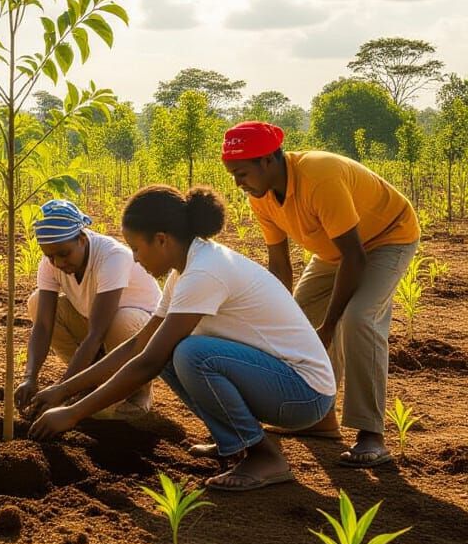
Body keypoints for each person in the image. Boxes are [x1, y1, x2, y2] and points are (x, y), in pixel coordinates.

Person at [29, 185, 337, 493]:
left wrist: (73, 412)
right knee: (170, 350)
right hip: (275, 380)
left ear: (161, 240)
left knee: (191, 353)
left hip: (303, 392)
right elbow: (139, 345)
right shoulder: (186, 271)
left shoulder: (204, 271)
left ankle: (264, 456)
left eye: (136, 248)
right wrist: (62, 390)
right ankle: (234, 440)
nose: (135, 259)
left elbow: (148, 362)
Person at [220, 121, 420, 468]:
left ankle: (371, 435)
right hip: (334, 253)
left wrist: (329, 325)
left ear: (268, 160)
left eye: (241, 172)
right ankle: (320, 419)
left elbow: (356, 258)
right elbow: (280, 266)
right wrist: (276, 320)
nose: (237, 182)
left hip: (387, 238)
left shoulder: (319, 175)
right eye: (232, 174)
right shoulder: (261, 197)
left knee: (357, 320)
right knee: (298, 319)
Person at [14, 199, 161, 417]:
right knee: (37, 302)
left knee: (122, 321)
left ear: (82, 239)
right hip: (96, 325)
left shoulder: (112, 257)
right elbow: (43, 326)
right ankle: (88, 382)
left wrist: (62, 390)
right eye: (50, 256)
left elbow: (96, 334)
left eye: (64, 254)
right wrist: (30, 377)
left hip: (144, 334)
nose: (58, 263)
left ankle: (138, 391)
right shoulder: (51, 263)